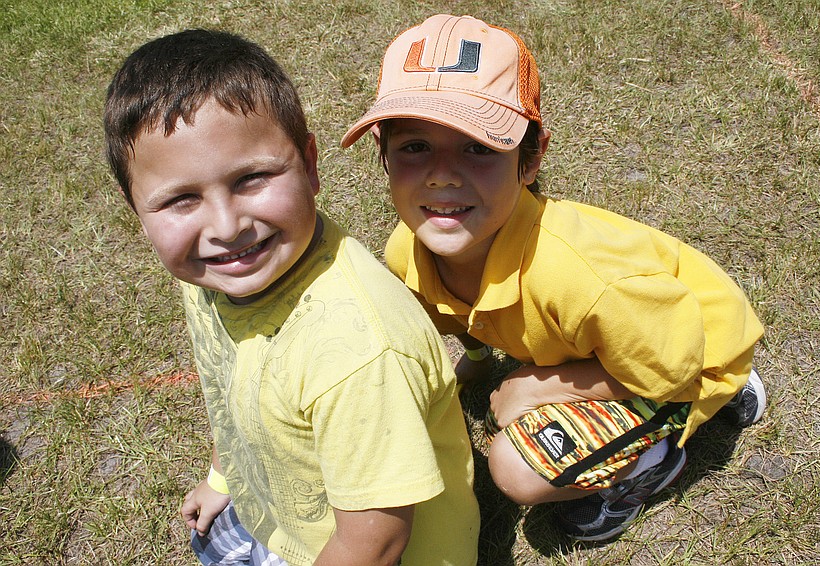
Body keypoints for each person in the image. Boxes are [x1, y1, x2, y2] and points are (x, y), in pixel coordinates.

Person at [342, 14, 767, 542]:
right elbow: (451, 315)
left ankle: (654, 461)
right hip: (625, 339)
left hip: (690, 353)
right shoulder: (408, 250)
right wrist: (478, 362)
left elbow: (673, 368)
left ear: (530, 160)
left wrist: (539, 385)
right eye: (414, 146)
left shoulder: (585, 278)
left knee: (516, 468)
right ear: (382, 153)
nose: (442, 174)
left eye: (478, 147)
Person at [104, 29, 479, 565]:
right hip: (290, 514)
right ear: (136, 208)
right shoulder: (216, 274)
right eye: (181, 199)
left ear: (310, 165)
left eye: (252, 178)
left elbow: (375, 544)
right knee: (209, 539)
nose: (227, 227)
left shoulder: (358, 355)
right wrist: (223, 477)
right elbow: (230, 388)